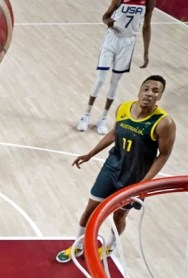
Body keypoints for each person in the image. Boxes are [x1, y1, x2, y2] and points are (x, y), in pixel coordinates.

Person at [57, 75, 176, 263]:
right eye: (146, 89)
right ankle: (78, 246)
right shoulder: (124, 108)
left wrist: (144, 184)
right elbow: (114, 133)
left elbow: (164, 154)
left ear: (160, 97)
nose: (149, 94)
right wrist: (90, 154)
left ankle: (110, 246)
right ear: (139, 90)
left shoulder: (164, 123)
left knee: (118, 216)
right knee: (90, 210)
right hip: (111, 168)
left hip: (135, 177)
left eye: (155, 91)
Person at [77, 0, 156, 135]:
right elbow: (105, 16)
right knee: (100, 79)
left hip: (128, 42)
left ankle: (103, 118)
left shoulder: (149, 1)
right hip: (112, 39)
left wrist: (146, 51)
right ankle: (86, 115)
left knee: (115, 82)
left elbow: (147, 25)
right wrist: (109, 22)